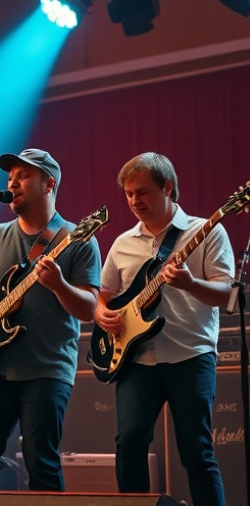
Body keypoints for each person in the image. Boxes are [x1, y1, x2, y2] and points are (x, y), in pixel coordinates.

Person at [0, 148, 101, 492]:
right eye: (10, 178)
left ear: (48, 184)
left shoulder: (76, 239)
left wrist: (60, 285)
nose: (12, 183)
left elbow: (89, 308)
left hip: (47, 368)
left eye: (23, 176)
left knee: (40, 460)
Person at [94, 152, 231, 505]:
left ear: (167, 187)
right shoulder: (123, 243)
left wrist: (188, 283)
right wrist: (101, 314)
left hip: (191, 354)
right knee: (130, 443)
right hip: (137, 359)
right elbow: (104, 293)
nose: (134, 201)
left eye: (142, 192)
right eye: (128, 194)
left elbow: (224, 293)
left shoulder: (207, 231)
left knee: (196, 451)